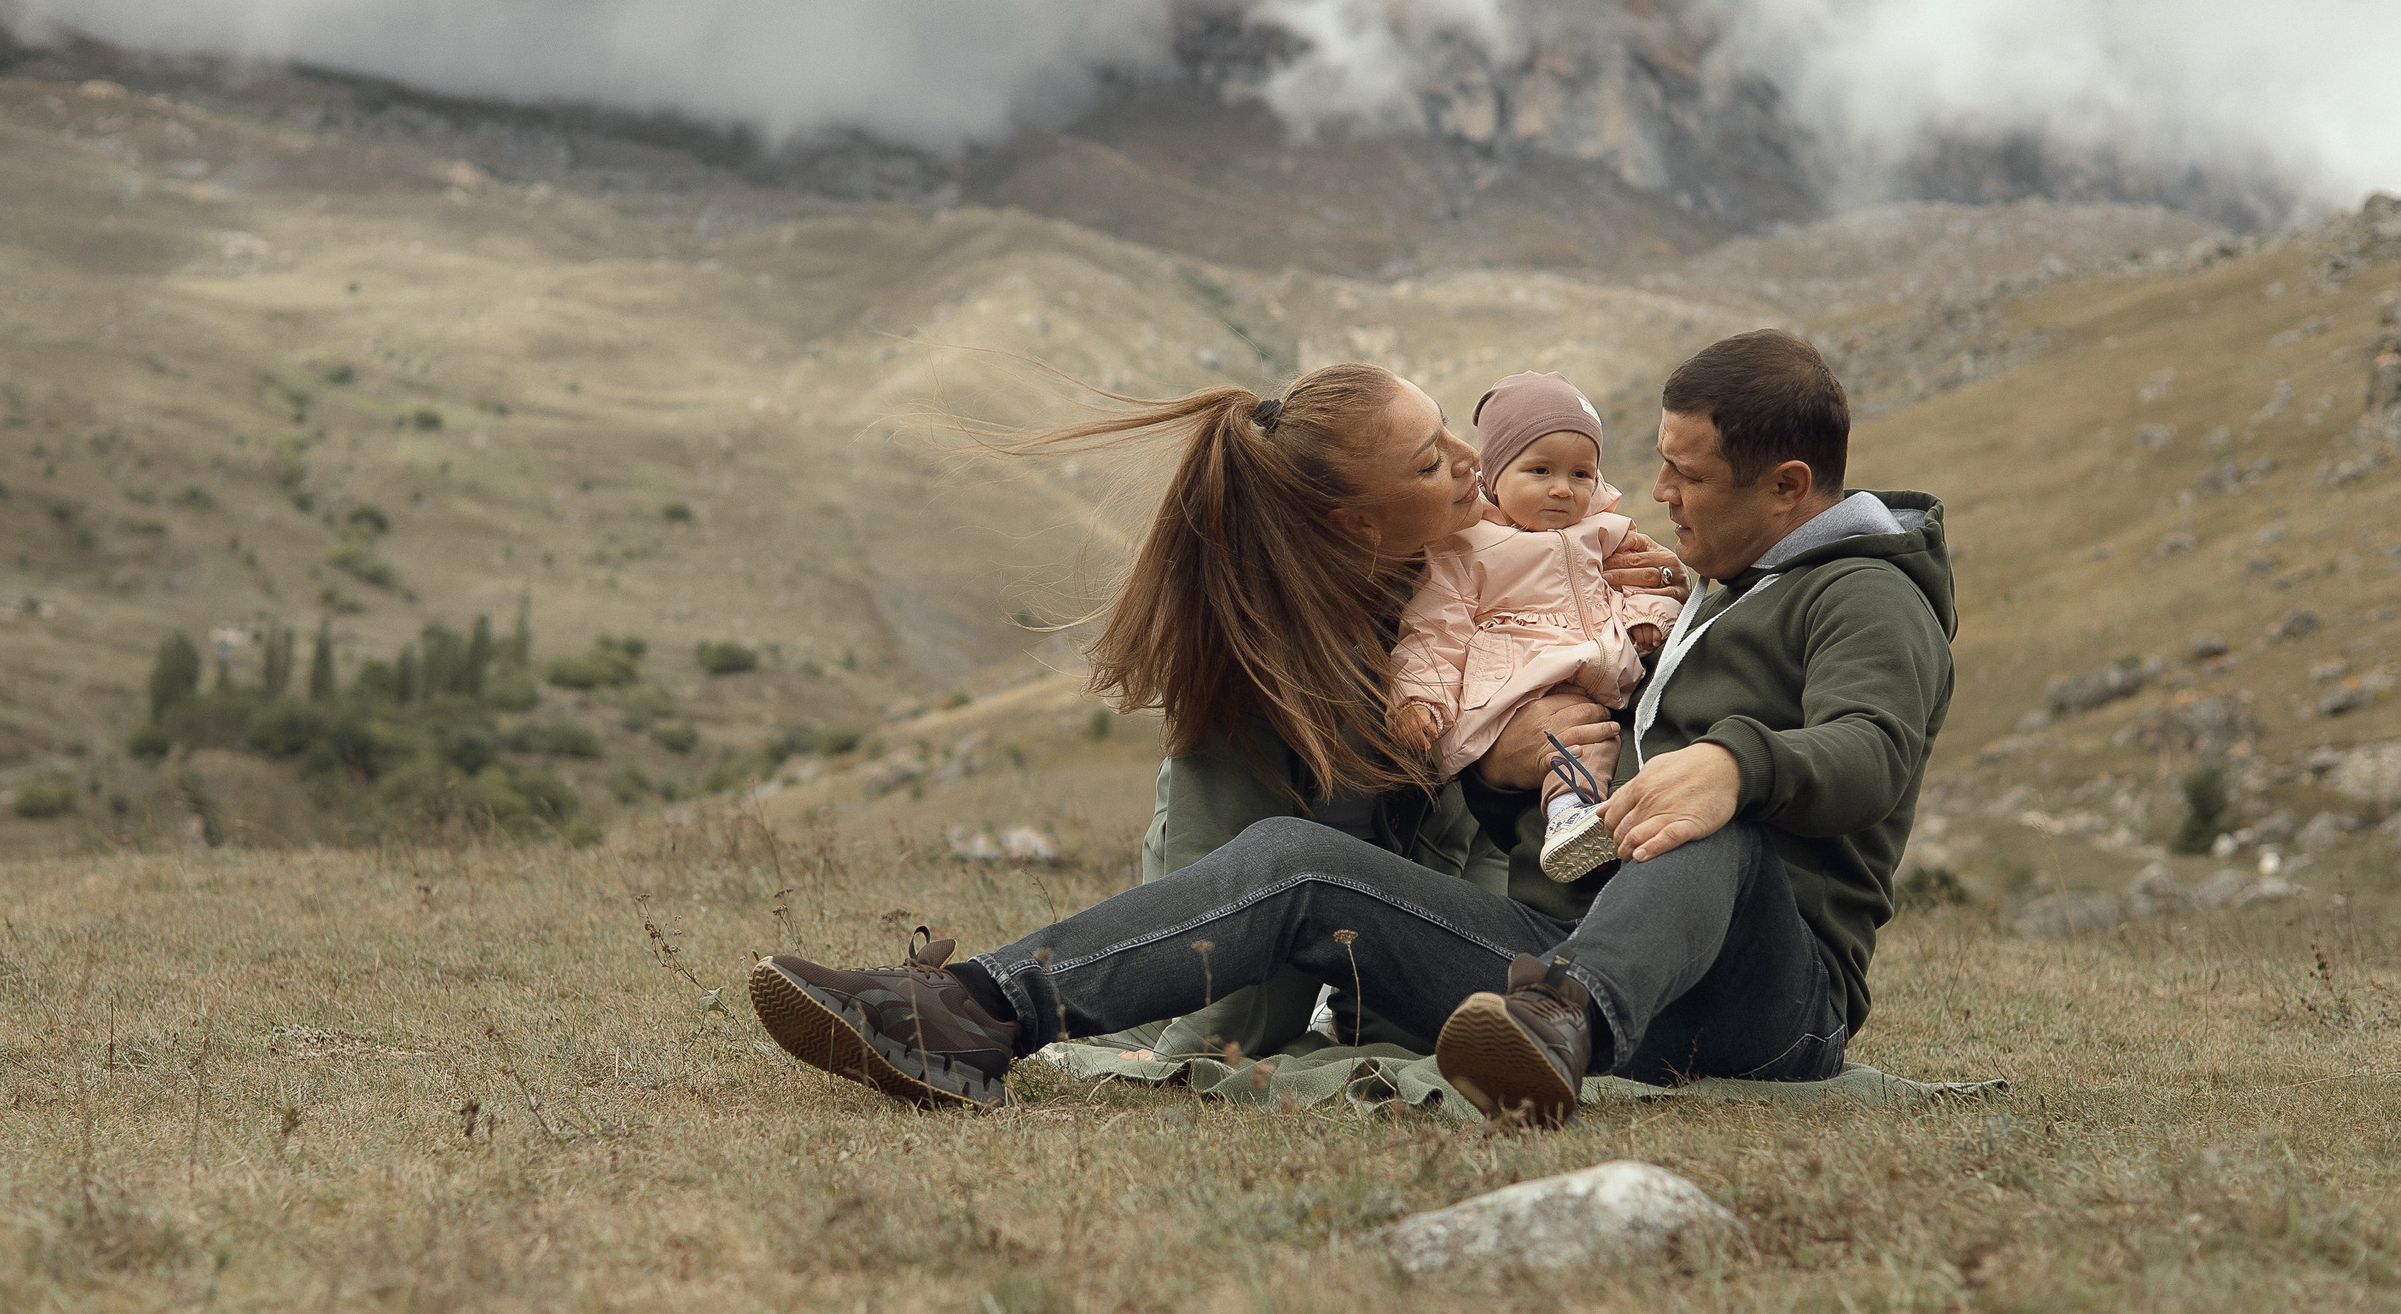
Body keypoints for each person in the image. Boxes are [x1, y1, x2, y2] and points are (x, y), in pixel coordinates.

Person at [748, 332, 1954, 1128]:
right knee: (1295, 863)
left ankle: (1564, 1020)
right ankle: (966, 1015)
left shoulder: (1865, 592)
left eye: (1683, 474)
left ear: (1789, 487)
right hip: (1575, 973)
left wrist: (1734, 763)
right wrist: (1500, 765)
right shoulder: (1707, 582)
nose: (1655, 494)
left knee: (1708, 826)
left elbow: (1872, 756)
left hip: (1766, 1007)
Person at [1388, 370, 1683, 883]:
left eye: (1581, 475)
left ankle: (1616, 835)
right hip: (1516, 683)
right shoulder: (1465, 548)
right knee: (1573, 734)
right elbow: (1435, 633)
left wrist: (1645, 618)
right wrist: (1420, 701)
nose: (1562, 490)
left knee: (1620, 727)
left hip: (1602, 668)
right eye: (1540, 470)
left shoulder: (1608, 532)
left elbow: (1644, 588)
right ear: (1494, 476)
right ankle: (1570, 815)